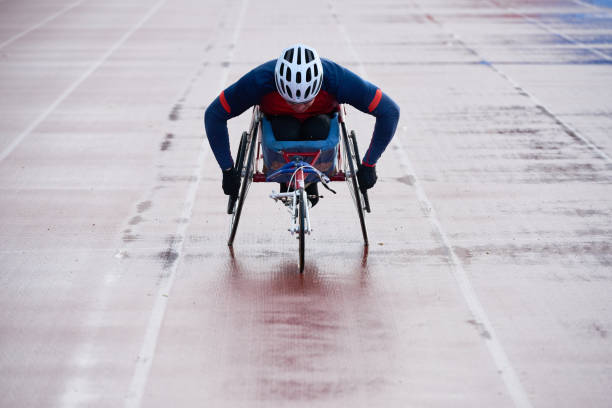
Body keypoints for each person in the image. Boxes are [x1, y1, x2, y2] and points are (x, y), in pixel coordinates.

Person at [204, 44, 400, 205]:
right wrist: (228, 170)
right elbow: (214, 115)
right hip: (279, 127)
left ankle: (312, 178)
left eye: (307, 102)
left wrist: (369, 164)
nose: (299, 108)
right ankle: (285, 177)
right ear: (278, 86)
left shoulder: (338, 79)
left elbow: (390, 111)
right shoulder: (258, 81)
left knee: (318, 128)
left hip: (320, 127)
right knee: (285, 127)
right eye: (291, 101)